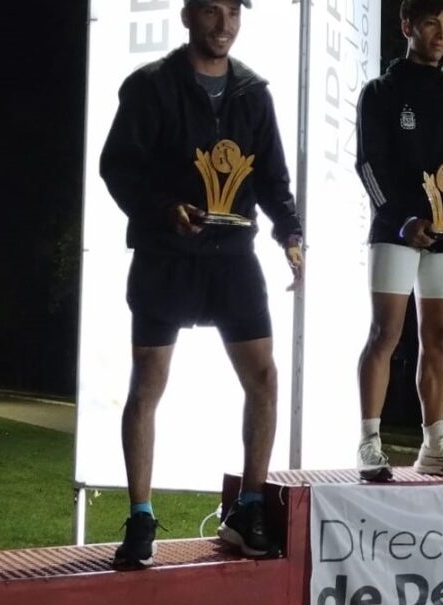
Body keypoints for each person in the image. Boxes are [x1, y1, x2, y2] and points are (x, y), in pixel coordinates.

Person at [100, 0, 303, 569]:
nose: (225, 25)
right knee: (148, 383)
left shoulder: (253, 93)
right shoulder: (150, 86)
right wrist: (165, 210)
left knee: (263, 378)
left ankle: (248, 511)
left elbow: (272, 180)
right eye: (213, 12)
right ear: (188, 16)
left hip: (232, 257)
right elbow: (118, 167)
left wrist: (291, 234)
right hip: (167, 255)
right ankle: (141, 518)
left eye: (234, 14)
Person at [353, 0, 443, 482]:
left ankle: (435, 444)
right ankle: (369, 441)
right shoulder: (380, 93)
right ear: (408, 26)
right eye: (432, 23)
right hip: (395, 232)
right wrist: (404, 219)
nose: (441, 34)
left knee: (440, 337)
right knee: (385, 333)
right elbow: (370, 165)